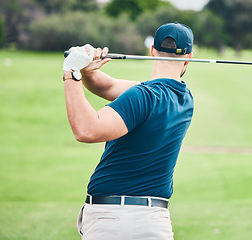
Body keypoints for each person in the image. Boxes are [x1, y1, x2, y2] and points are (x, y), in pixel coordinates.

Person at [62, 22, 194, 240]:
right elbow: (108, 87)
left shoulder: (142, 96)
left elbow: (86, 130)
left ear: (152, 50)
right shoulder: (184, 98)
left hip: (111, 220)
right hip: (155, 222)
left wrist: (72, 72)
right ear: (189, 56)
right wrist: (88, 70)